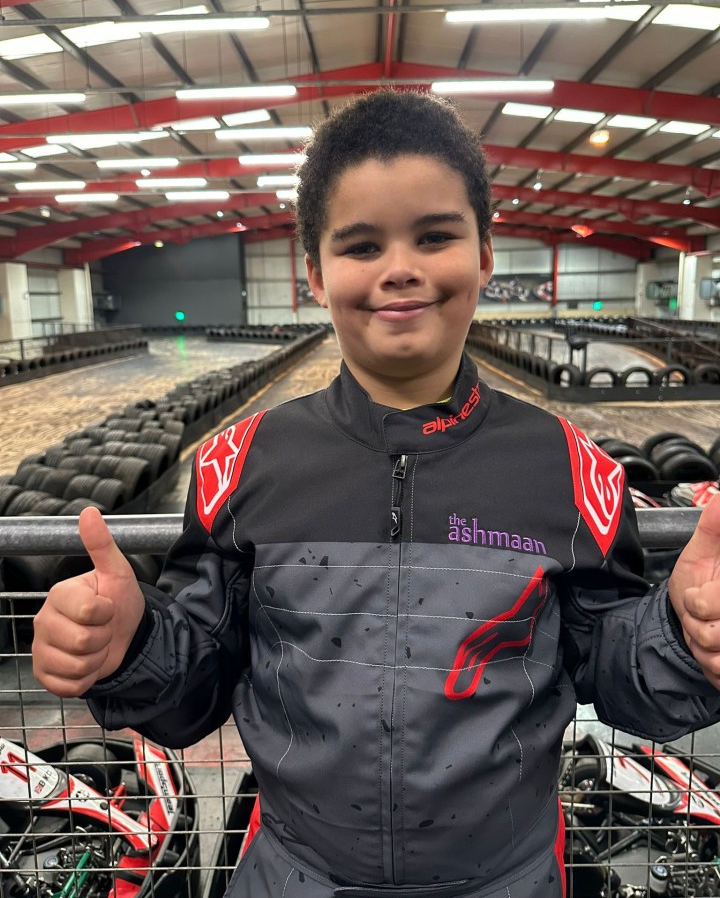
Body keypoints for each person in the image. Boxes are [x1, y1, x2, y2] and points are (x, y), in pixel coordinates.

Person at [33, 90, 720, 898]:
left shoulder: (571, 470)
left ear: (486, 254)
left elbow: (610, 664)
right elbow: (198, 688)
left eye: (435, 236)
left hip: (510, 878)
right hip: (295, 876)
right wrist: (132, 646)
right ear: (317, 276)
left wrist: (680, 633)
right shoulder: (240, 464)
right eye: (362, 245)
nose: (401, 268)